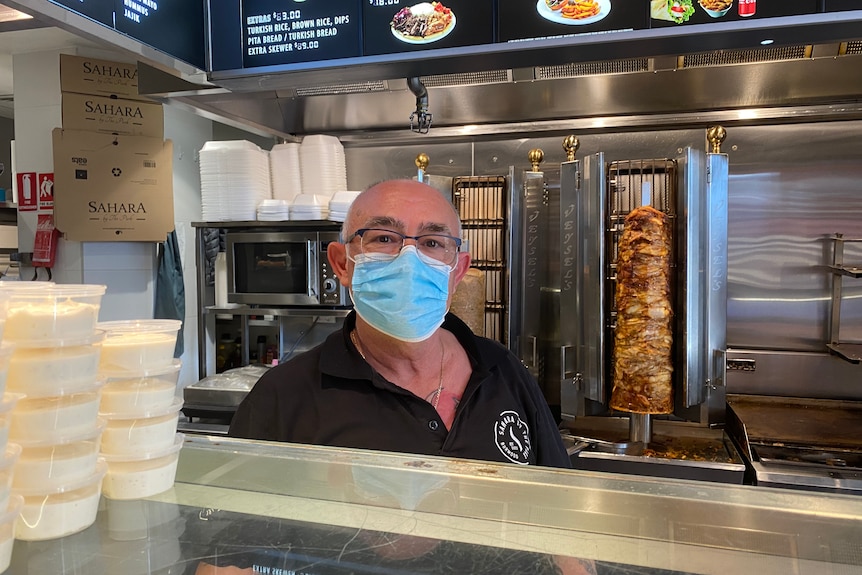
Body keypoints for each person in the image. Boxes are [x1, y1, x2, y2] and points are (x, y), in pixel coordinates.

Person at [229, 178, 571, 469]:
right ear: (342, 264)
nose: (409, 261)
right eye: (384, 238)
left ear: (457, 272)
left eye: (433, 243)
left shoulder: (503, 370)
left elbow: (559, 505)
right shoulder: (283, 397)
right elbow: (243, 535)